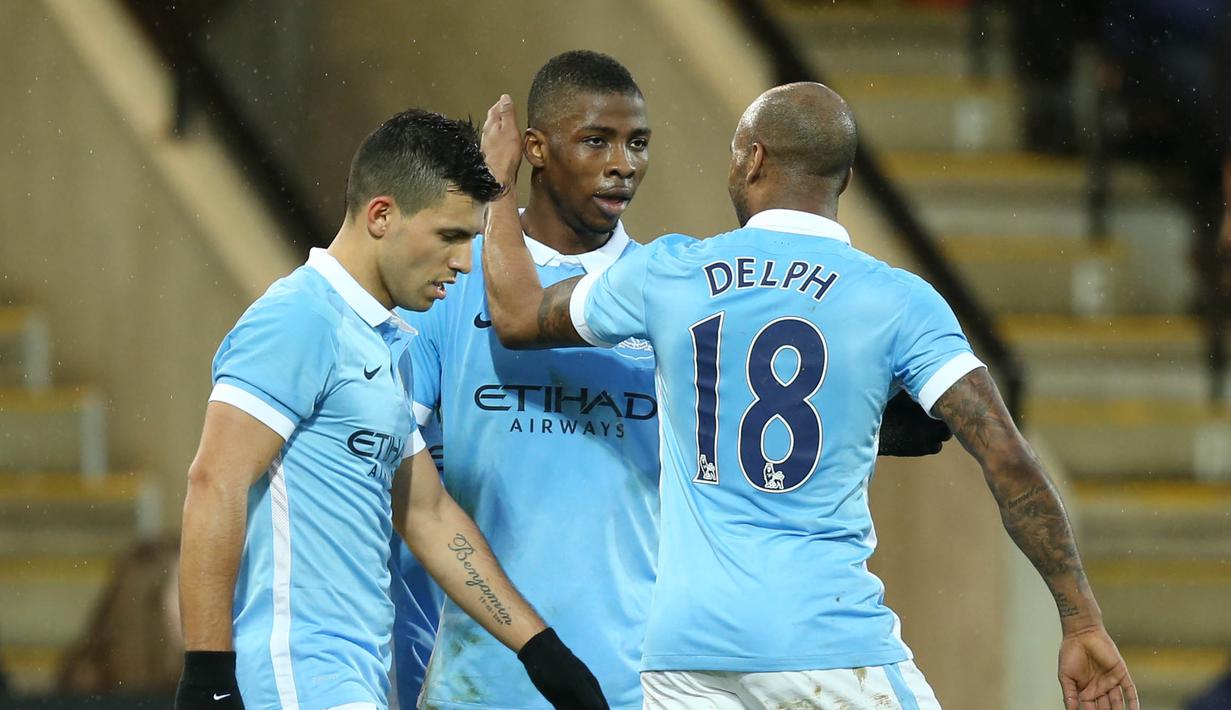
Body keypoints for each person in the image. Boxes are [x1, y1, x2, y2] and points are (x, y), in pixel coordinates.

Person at [478, 84, 1138, 709]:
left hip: (684, 652)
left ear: (753, 158)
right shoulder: (895, 299)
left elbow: (516, 313)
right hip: (820, 640)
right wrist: (1079, 621)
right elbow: (1006, 458)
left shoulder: (669, 271)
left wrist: (500, 183)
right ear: (844, 180)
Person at [388, 53, 953, 709]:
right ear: (534, 149)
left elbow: (745, 429)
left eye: (637, 143)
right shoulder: (448, 289)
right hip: (479, 683)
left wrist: (848, 425)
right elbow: (392, 482)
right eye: (597, 141)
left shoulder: (674, 295)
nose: (623, 163)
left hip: (642, 684)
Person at [175, 108, 607, 710]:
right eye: (450, 237)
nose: (462, 263)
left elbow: (427, 514)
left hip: (353, 677)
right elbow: (213, 480)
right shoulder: (299, 319)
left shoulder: (383, 344)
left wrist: (540, 651)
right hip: (293, 673)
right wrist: (207, 676)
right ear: (381, 215)